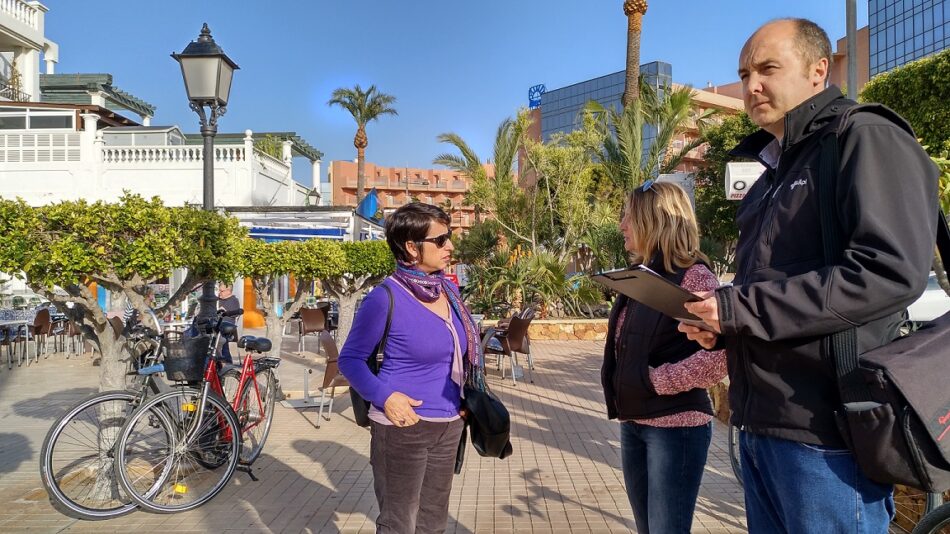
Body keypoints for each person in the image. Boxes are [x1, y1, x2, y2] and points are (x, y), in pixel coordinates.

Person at [678, 18, 940, 533]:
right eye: (744, 72)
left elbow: (888, 272)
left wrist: (739, 309)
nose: (752, 85)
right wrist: (723, 325)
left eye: (768, 68)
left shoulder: (864, 137)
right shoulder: (769, 178)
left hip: (828, 441)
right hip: (760, 429)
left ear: (819, 70)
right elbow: (772, 292)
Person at [339, 202, 478, 534]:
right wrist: (386, 397)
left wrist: (464, 402)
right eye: (441, 240)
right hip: (403, 427)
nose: (450, 247)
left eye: (449, 237)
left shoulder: (448, 291)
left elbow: (458, 354)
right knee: (399, 524)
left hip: (449, 425)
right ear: (412, 248)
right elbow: (350, 360)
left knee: (433, 523)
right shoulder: (385, 298)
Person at [601, 181, 726, 534]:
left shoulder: (695, 277)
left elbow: (718, 358)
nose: (622, 224)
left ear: (653, 221)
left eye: (628, 216)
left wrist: (655, 381)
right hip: (635, 422)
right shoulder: (643, 278)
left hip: (676, 428)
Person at [217, 283, 240, 364]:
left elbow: (234, 314)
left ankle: (227, 362)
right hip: (217, 327)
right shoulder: (218, 300)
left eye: (222, 291)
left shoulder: (233, 301)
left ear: (228, 291)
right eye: (219, 290)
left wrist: (224, 311)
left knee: (221, 340)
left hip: (227, 329)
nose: (219, 293)